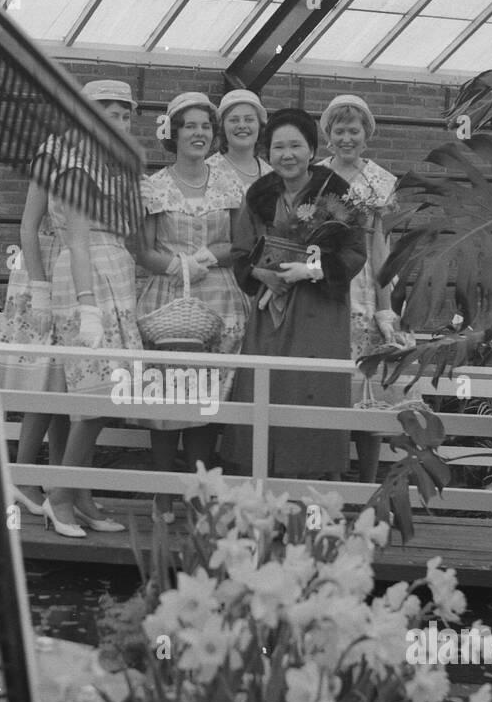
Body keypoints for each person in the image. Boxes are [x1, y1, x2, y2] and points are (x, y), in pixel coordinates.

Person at [228, 107, 367, 482]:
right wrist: (262, 275)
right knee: (265, 392)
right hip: (269, 312)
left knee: (313, 391)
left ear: (311, 149)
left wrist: (313, 270)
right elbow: (240, 253)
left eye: (295, 145)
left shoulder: (337, 193)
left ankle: (313, 507)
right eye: (277, 147)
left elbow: (354, 252)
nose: (286, 155)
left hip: (319, 312)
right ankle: (262, 501)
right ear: (267, 152)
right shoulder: (258, 196)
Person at [135, 92, 248, 521]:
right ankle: (163, 493)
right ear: (174, 133)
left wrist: (206, 258)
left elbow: (240, 243)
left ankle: (200, 497)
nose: (199, 133)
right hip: (169, 299)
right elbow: (144, 251)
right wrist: (178, 264)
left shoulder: (228, 185)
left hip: (220, 300)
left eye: (205, 126)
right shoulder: (154, 185)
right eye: (190, 126)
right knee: (168, 401)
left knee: (207, 403)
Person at [44, 80, 144, 538]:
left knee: (106, 395)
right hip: (88, 279)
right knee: (93, 394)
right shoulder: (76, 165)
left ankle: (80, 495)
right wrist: (87, 307)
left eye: (125, 115)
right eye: (109, 113)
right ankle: (59, 497)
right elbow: (78, 240)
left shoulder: (111, 167)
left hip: (116, 275)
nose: (118, 122)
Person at [318, 93, 414, 484]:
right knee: (331, 390)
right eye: (338, 130)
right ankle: (332, 482)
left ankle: (368, 484)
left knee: (368, 391)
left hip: (365, 288)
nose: (346, 137)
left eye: (353, 130)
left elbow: (379, 246)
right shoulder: (315, 175)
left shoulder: (378, 180)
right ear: (328, 134)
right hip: (324, 280)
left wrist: (385, 306)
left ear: (365, 134)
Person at [0, 137, 70, 518]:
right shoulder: (52, 153)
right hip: (44, 273)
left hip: (77, 271)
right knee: (45, 377)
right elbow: (28, 227)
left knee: (66, 382)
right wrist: (41, 289)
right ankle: (22, 477)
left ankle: (59, 483)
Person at [208, 88, 274, 194]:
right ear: (222, 126)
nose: (242, 125)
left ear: (259, 125)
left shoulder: (272, 177)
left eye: (249, 119)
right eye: (234, 120)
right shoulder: (205, 173)